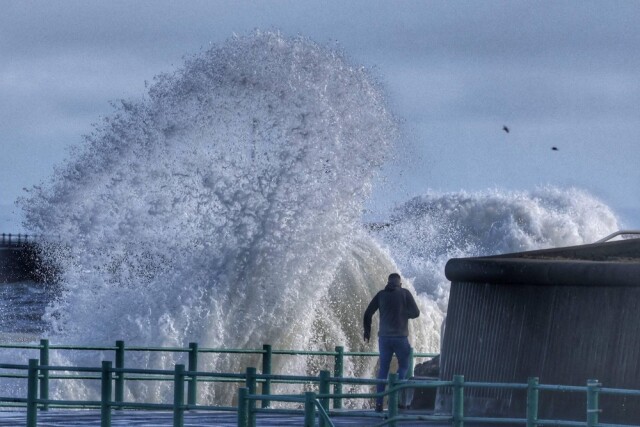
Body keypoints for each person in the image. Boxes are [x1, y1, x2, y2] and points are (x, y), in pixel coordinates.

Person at [363, 272, 420, 412]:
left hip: (384, 339)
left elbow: (368, 313)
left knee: (383, 369)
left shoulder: (381, 294)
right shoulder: (405, 293)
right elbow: (416, 313)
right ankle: (395, 398)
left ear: (388, 282)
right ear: (400, 283)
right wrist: (405, 314)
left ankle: (378, 404)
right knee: (404, 366)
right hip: (400, 338)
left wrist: (367, 332)